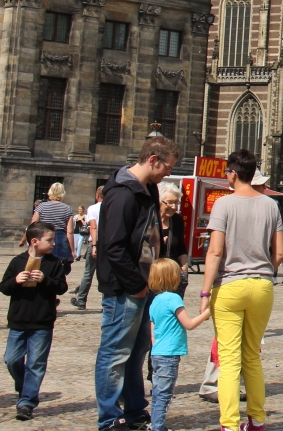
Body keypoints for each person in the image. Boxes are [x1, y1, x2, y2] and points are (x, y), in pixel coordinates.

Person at [95, 135, 179, 431]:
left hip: (146, 284)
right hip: (125, 287)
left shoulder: (149, 188)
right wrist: (136, 284)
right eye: (167, 167)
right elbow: (113, 246)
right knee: (115, 352)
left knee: (137, 350)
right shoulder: (123, 193)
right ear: (153, 160)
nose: (168, 173)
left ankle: (134, 409)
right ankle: (109, 418)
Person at [199, 148, 283, 431]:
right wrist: (264, 270)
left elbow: (214, 252)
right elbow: (280, 253)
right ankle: (257, 421)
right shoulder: (271, 206)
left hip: (229, 285)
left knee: (229, 360)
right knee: (252, 356)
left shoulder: (223, 204)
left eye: (227, 172)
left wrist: (204, 293)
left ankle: (230, 425)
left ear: (233, 174)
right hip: (262, 286)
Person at [0, 221, 67, 421]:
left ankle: (27, 403)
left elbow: (61, 287)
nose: (54, 243)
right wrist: (15, 281)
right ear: (35, 241)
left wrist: (45, 280)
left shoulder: (54, 263)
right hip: (18, 320)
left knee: (36, 364)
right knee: (11, 359)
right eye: (50, 240)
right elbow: (4, 287)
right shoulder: (17, 261)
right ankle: (24, 387)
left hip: (42, 321)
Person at [147, 258, 210, 431]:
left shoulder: (155, 301)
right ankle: (158, 427)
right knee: (164, 395)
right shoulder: (173, 299)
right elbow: (188, 324)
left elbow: (153, 333)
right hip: (169, 355)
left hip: (157, 353)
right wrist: (207, 313)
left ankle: (155, 423)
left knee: (157, 392)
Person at [72, 186, 103, 310]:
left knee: (88, 273)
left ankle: (81, 301)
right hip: (108, 244)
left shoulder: (93, 208)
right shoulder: (111, 207)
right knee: (104, 274)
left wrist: (94, 245)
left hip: (95, 242)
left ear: (97, 195)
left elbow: (93, 227)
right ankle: (106, 303)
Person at [32, 182, 74, 274]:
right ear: (63, 193)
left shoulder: (42, 206)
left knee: (42, 266)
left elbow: (34, 224)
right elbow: (70, 232)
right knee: (59, 270)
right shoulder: (67, 208)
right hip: (60, 239)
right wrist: (72, 250)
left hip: (44, 237)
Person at [158, 182, 189, 298]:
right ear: (159, 201)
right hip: (153, 276)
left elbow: (181, 246)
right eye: (170, 202)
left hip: (173, 276)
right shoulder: (149, 219)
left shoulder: (177, 220)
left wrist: (184, 267)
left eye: (176, 202)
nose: (174, 207)